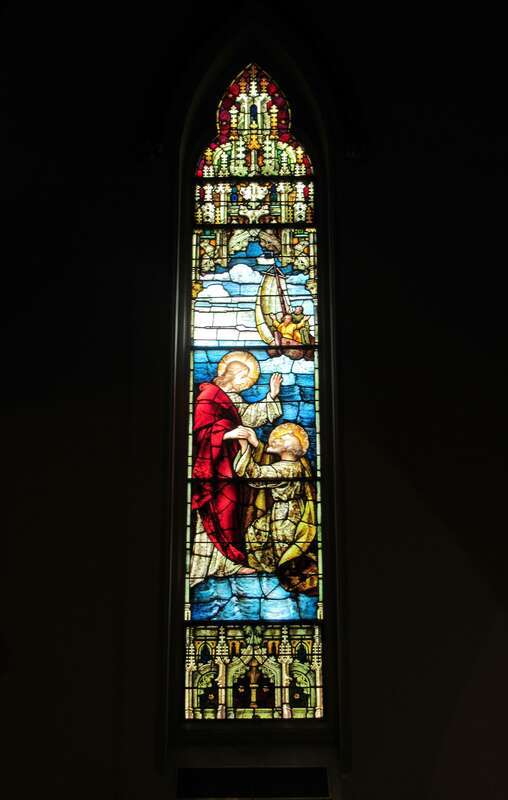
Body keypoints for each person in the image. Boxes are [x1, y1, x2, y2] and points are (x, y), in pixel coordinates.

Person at [190, 351, 283, 587]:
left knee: (230, 510)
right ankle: (207, 565)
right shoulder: (208, 396)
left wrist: (271, 396)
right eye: (244, 379)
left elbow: (248, 416)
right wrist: (228, 433)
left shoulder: (231, 397)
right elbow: (198, 434)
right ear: (236, 377)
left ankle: (227, 563)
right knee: (215, 511)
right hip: (211, 467)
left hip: (227, 465)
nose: (244, 385)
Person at [231, 422, 318, 594]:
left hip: (285, 514)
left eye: (279, 440)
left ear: (287, 449)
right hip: (294, 510)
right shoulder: (300, 464)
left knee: (283, 547)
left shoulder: (283, 470)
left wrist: (244, 447)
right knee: (258, 532)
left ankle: (287, 578)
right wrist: (256, 444)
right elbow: (269, 460)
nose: (274, 441)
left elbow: (254, 475)